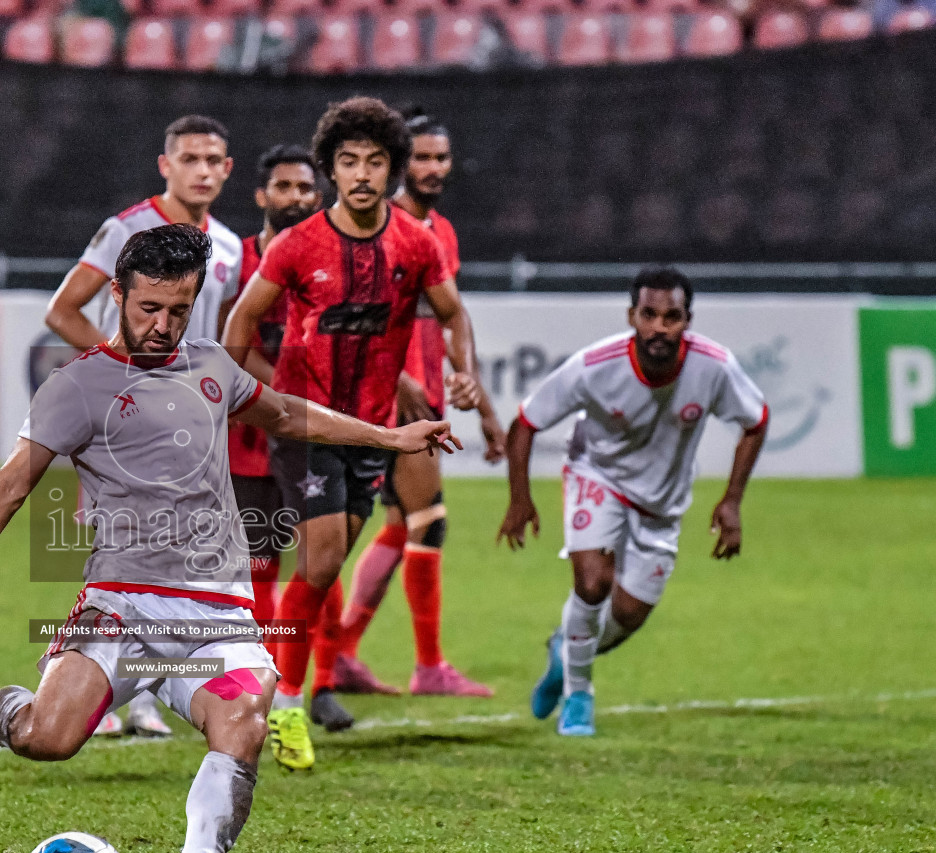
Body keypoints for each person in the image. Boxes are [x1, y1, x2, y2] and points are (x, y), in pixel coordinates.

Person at [0, 225, 459, 853]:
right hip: (120, 604)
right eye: (149, 307)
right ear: (118, 294)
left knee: (244, 719)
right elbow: (9, 485)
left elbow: (281, 412)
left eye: (178, 310)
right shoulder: (79, 386)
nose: (163, 325)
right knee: (48, 738)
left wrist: (387, 435)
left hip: (214, 608)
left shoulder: (211, 364)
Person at [223, 96, 473, 758]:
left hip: (372, 430)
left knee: (322, 572)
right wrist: (262, 397)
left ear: (392, 168)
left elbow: (454, 314)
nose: (361, 174)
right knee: (323, 557)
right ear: (333, 169)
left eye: (375, 162)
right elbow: (239, 327)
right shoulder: (297, 245)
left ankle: (287, 691)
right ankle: (288, 706)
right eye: (348, 162)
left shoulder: (415, 245)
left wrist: (465, 372)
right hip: (304, 425)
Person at [497, 266, 769, 737]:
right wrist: (520, 500)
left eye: (672, 316)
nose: (659, 327)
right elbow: (525, 424)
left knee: (627, 615)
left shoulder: (714, 367)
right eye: (649, 315)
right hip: (597, 476)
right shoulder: (595, 365)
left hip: (662, 503)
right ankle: (579, 695)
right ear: (631, 315)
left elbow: (756, 420)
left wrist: (732, 501)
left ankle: (564, 651)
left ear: (688, 320)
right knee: (592, 582)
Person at [45, 113, 243, 739]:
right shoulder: (128, 229)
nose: (203, 171)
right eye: (190, 159)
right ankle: (87, 672)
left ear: (227, 169)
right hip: (131, 422)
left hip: (198, 423)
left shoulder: (231, 247)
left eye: (214, 160)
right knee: (117, 545)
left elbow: (223, 335)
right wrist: (123, 371)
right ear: (166, 165)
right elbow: (63, 310)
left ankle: (147, 692)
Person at [331, 113, 507, 700]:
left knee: (400, 522)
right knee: (428, 519)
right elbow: (358, 317)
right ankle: (427, 666)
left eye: (441, 157)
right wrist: (400, 378)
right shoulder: (381, 228)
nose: (433, 168)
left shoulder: (441, 232)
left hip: (424, 393)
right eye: (422, 157)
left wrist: (473, 388)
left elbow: (455, 314)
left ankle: (342, 652)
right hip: (387, 398)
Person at [229, 144, 322, 630]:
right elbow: (230, 346)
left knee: (321, 559)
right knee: (258, 564)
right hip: (250, 438)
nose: (295, 197)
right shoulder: (233, 263)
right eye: (283, 186)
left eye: (305, 187)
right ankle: (259, 677)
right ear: (261, 195)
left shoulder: (327, 264)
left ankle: (322, 684)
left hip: (313, 434)